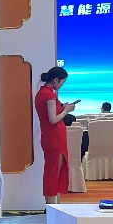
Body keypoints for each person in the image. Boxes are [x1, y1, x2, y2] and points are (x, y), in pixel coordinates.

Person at [35, 67, 74, 204]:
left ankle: (51, 205)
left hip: (50, 137)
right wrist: (66, 111)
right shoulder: (49, 95)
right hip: (55, 138)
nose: (62, 85)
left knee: (51, 172)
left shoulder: (42, 93)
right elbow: (52, 119)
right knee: (53, 173)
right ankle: (51, 206)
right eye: (62, 82)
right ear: (56, 80)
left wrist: (62, 108)